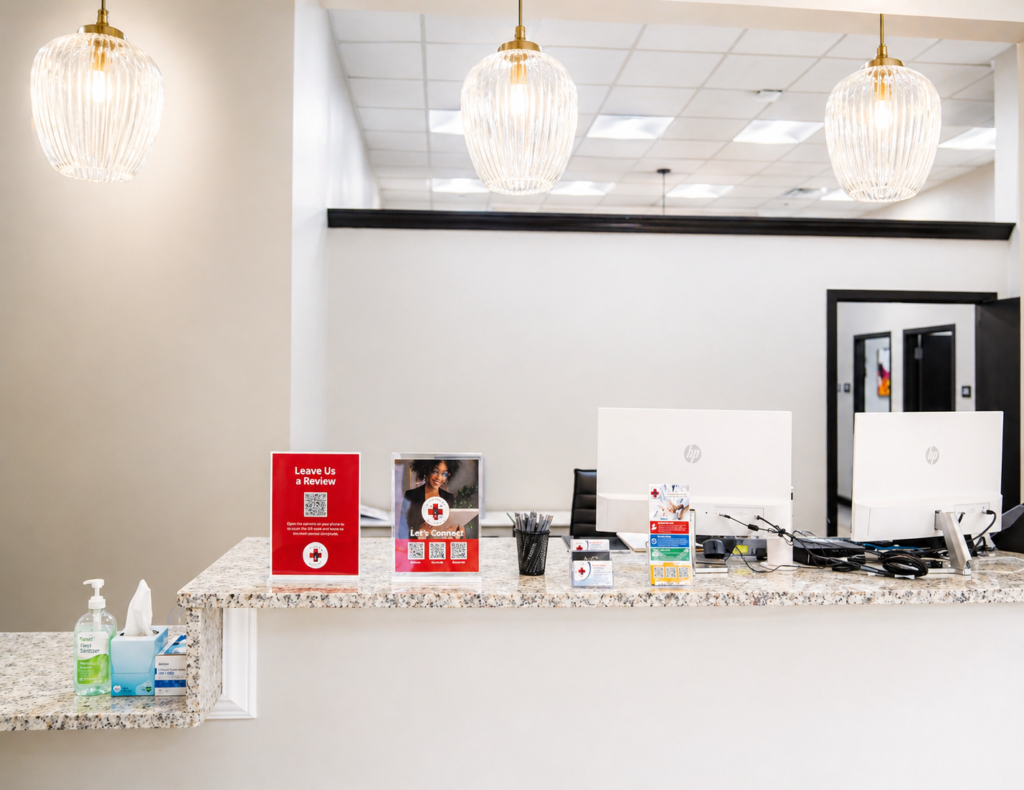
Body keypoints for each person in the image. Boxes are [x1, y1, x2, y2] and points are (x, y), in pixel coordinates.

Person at [398, 459, 462, 540]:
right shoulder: (411, 495)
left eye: (444, 474)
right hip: (418, 545)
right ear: (426, 470)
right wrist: (419, 533)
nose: (439, 477)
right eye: (435, 472)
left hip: (441, 545)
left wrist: (456, 531)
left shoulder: (449, 498)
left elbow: (450, 525)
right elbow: (403, 530)